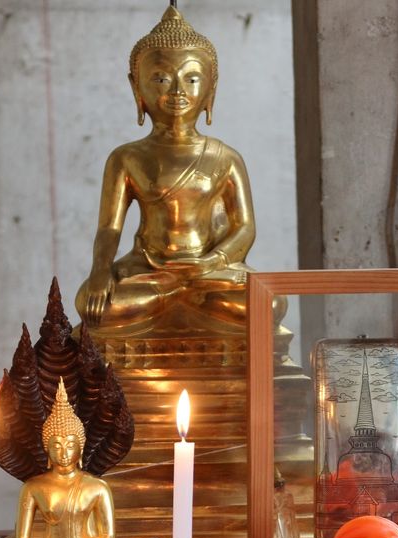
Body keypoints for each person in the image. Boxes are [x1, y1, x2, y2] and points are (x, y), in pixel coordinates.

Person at [75, 6, 286, 334]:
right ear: (137, 87)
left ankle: (178, 300)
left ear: (211, 87)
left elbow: (244, 228)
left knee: (269, 304)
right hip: (148, 267)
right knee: (93, 304)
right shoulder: (126, 157)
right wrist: (101, 272)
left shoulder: (225, 157)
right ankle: (177, 299)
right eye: (161, 78)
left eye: (192, 78)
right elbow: (109, 228)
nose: (177, 91)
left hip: (209, 270)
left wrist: (210, 262)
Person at [0, 379, 139, 538]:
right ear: (46, 448)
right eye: (56, 445)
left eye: (70, 445)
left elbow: (107, 534)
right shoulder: (33, 487)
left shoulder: (96, 486)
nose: (64, 452)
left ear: (81, 447)